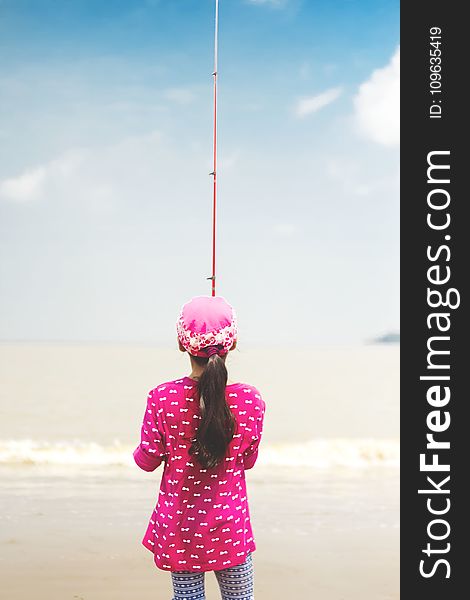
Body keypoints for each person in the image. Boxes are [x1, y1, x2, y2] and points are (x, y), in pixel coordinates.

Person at [133, 295, 266, 600]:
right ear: (231, 344)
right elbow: (248, 461)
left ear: (182, 344)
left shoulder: (162, 397)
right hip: (230, 528)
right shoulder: (250, 400)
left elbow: (147, 460)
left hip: (182, 528)